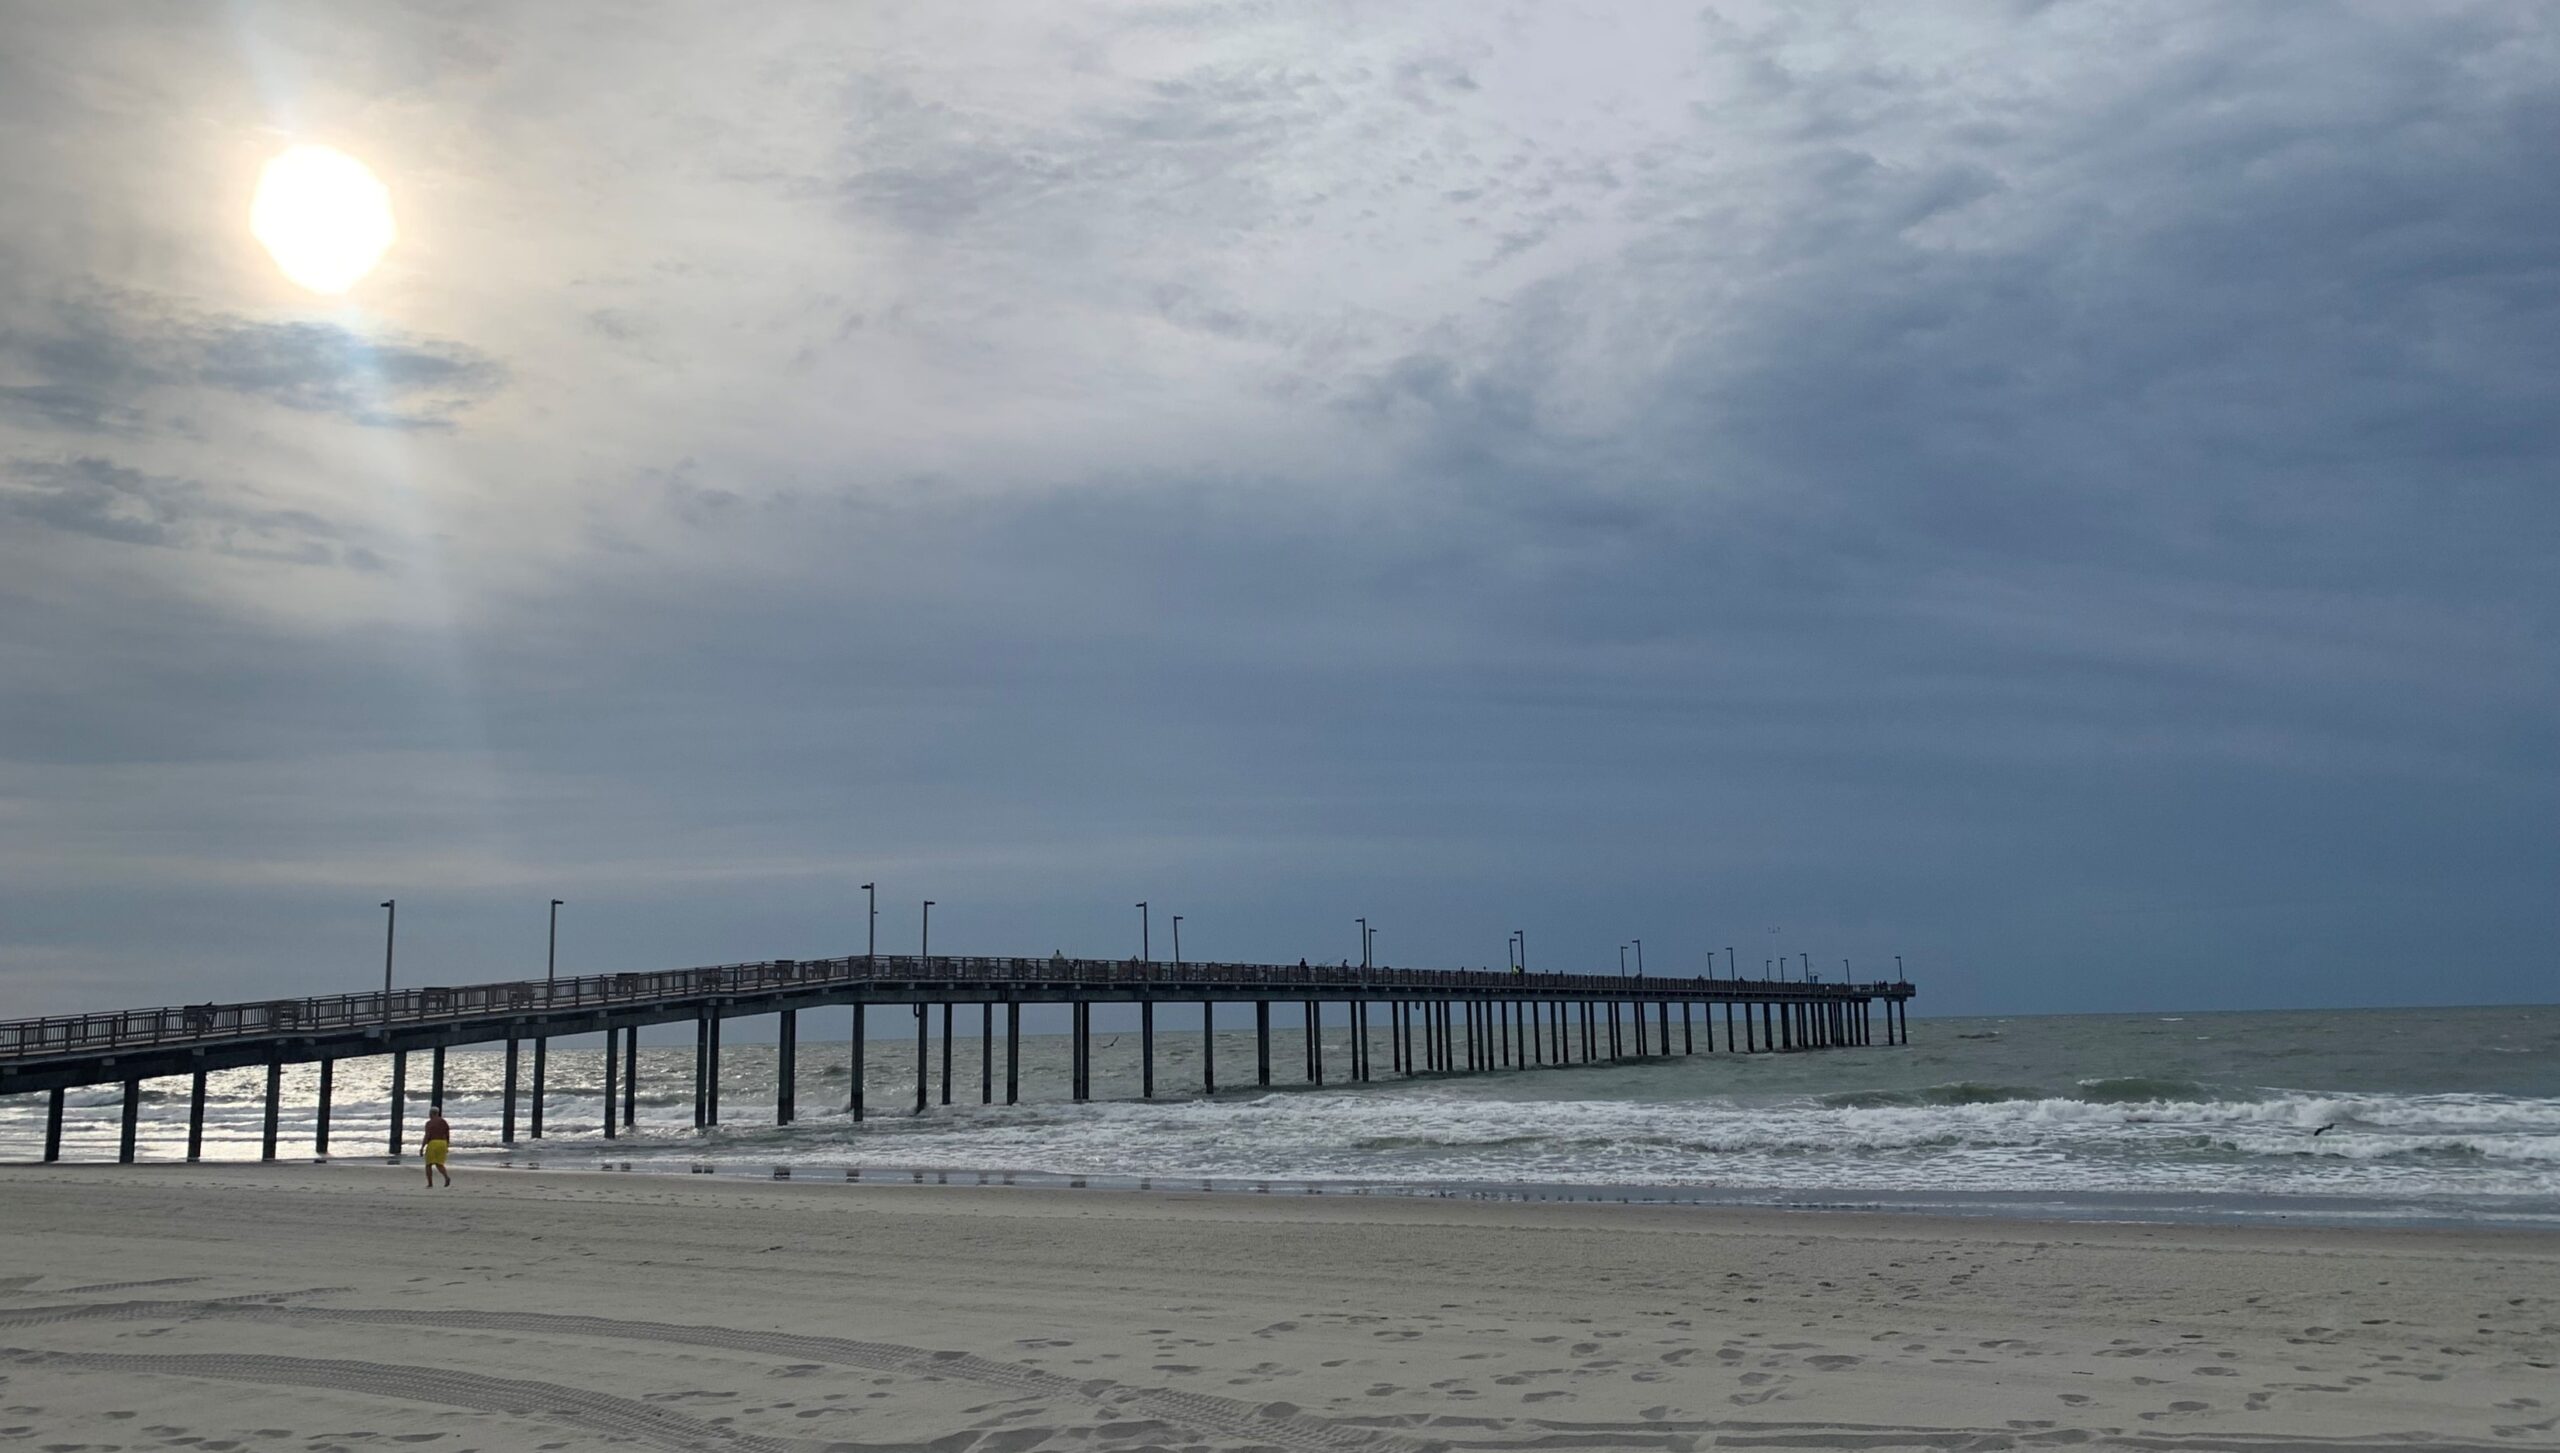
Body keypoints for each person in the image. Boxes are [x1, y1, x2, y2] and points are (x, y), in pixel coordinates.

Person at [421, 1103, 452, 1188]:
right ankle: (446, 1177)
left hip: (433, 1143)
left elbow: (427, 1136)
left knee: (428, 1164)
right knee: (439, 1164)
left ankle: (430, 1183)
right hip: (442, 1143)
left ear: (431, 1113)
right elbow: (447, 1135)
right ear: (437, 1113)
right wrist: (447, 1146)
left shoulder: (429, 1123)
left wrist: (422, 1147)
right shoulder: (444, 1122)